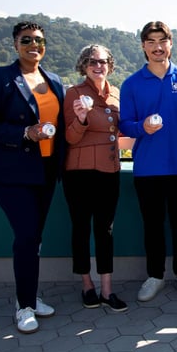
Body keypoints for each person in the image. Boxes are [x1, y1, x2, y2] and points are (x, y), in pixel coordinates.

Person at [0, 21, 65, 333]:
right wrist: (24, 132)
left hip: (46, 170)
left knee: (34, 238)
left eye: (38, 40)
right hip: (11, 172)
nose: (33, 45)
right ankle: (24, 305)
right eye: (26, 40)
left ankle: (31, 297)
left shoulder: (54, 79)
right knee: (25, 236)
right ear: (15, 44)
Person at [119, 21, 177, 302]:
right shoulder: (131, 84)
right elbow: (125, 125)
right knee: (152, 225)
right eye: (151, 42)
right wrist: (143, 128)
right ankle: (155, 276)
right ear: (143, 46)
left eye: (162, 40)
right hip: (148, 168)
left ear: (170, 43)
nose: (157, 47)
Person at [62, 44, 127, 312]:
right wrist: (81, 119)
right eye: (91, 61)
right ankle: (87, 285)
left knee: (105, 230)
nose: (97, 66)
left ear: (110, 65)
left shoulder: (116, 94)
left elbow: (122, 130)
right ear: (83, 66)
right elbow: (70, 137)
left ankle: (107, 290)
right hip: (80, 173)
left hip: (110, 171)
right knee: (81, 228)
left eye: (102, 61)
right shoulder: (74, 94)